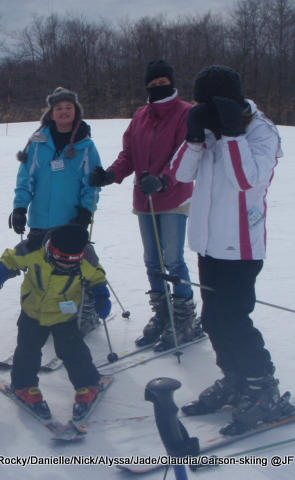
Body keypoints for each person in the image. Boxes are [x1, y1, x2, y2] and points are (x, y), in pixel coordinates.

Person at [170, 65, 292, 433]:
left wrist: (232, 134)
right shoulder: (208, 128)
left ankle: (263, 388)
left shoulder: (260, 131)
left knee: (235, 320)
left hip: (240, 245)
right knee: (213, 319)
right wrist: (193, 137)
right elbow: (180, 175)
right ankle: (235, 378)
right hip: (208, 243)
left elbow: (246, 181)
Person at [89, 59, 201, 351]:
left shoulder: (185, 113)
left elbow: (185, 155)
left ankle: (183, 319)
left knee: (173, 260)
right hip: (144, 198)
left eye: (162, 83)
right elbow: (129, 154)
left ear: (172, 82)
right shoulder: (141, 115)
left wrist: (164, 181)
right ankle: (163, 315)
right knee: (152, 261)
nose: (157, 88)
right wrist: (111, 173)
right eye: (152, 85)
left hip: (173, 196)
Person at [0, 224, 111, 420]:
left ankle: (88, 382)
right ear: (51, 250)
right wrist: (0, 270)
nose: (67, 266)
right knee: (27, 348)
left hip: (63, 314)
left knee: (72, 349)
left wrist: (101, 294)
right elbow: (11, 259)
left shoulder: (87, 258)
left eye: (71, 264)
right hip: (32, 310)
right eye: (62, 262)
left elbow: (97, 276)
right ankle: (24, 384)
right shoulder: (34, 248)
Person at [10, 87, 103, 335]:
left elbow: (91, 183)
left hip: (70, 220)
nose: (63, 111)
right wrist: (20, 207)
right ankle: (44, 310)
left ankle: (85, 311)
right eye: (58, 108)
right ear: (51, 113)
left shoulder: (86, 146)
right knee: (41, 268)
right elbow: (25, 179)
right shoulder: (37, 143)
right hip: (40, 219)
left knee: (74, 268)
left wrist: (85, 211)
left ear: (76, 112)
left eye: (68, 107)